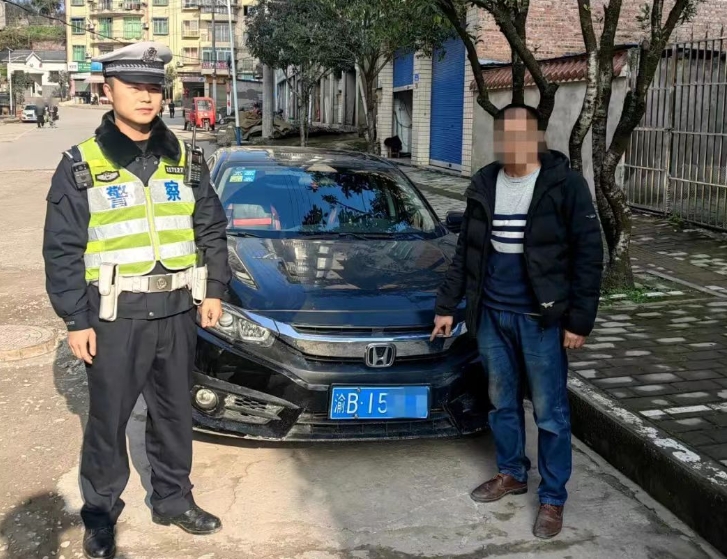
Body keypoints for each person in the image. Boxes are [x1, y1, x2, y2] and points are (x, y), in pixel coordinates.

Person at [43, 42, 231, 559]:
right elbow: (62, 248)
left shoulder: (187, 159)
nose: (147, 97)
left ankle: (173, 500)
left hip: (177, 311)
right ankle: (100, 513)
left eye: (154, 87)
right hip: (114, 317)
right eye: (134, 87)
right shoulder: (81, 163)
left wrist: (214, 289)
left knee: (174, 416)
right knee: (108, 419)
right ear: (109, 91)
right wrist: (75, 319)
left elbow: (211, 229)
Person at [431, 104, 603, 540]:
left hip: (541, 318)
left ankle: (553, 497)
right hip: (492, 314)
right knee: (501, 402)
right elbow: (466, 253)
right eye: (504, 135)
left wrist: (579, 321)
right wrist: (447, 306)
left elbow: (588, 255)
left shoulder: (564, 184)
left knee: (549, 411)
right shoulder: (485, 183)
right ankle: (511, 472)